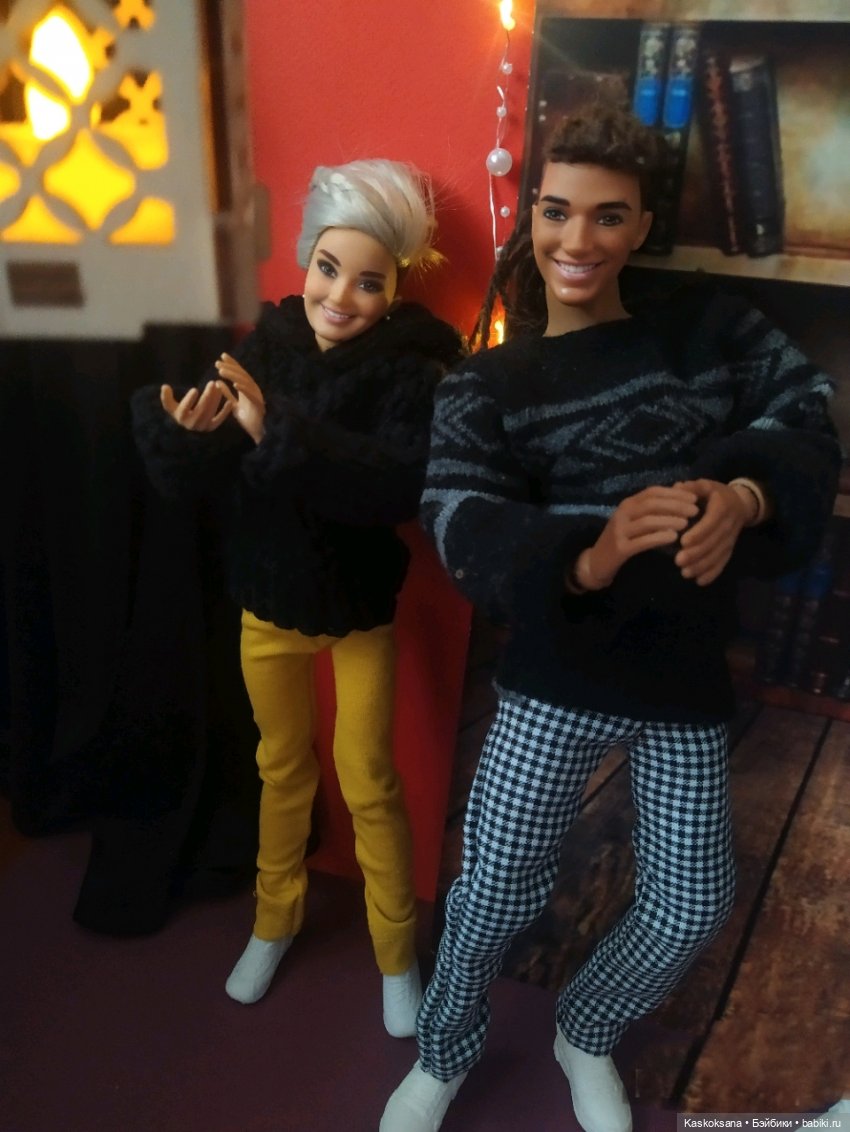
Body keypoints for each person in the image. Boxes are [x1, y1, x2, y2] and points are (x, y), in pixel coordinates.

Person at [380, 105, 841, 1130]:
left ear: (641, 226)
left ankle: (584, 1027)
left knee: (691, 901)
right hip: (558, 675)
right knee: (493, 889)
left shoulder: (709, 330)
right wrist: (588, 554)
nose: (576, 239)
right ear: (530, 216)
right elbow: (457, 516)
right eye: (555, 211)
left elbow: (805, 409)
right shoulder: (487, 383)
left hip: (683, 676)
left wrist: (747, 495)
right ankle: (444, 1049)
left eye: (607, 215)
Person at [131, 158, 465, 1037]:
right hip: (268, 602)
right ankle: (273, 919)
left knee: (370, 781)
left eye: (368, 281)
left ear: (394, 289)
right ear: (306, 259)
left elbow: (394, 485)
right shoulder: (266, 347)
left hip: (358, 611)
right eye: (328, 268)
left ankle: (395, 952)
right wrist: (192, 435)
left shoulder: (414, 371)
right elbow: (209, 473)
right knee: (280, 767)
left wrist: (279, 429)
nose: (341, 296)